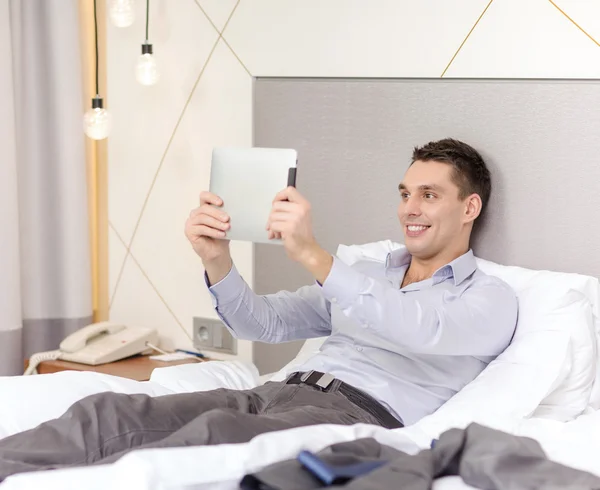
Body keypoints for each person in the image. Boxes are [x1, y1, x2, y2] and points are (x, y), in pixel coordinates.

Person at [0, 138, 517, 480]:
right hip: (274, 393)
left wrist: (314, 255)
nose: (409, 207)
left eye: (429, 195)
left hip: (352, 417)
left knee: (206, 440)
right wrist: (217, 259)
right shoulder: (367, 273)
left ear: (469, 207)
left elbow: (417, 330)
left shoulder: (489, 298)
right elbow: (262, 322)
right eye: (406, 192)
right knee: (111, 411)